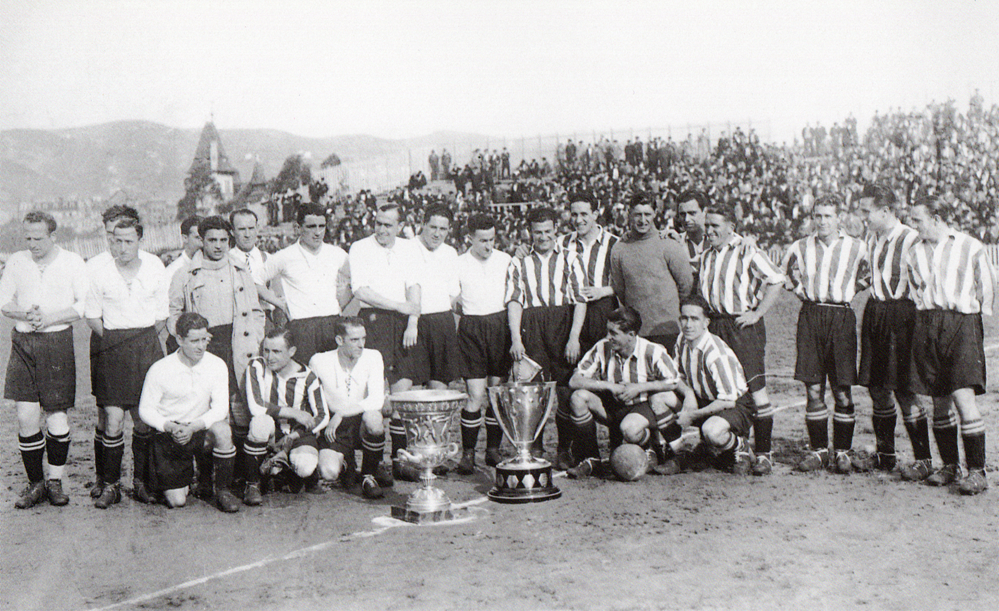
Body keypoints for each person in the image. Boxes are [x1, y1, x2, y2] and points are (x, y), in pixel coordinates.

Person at [905, 195, 994, 495]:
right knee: (938, 398)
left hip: (962, 324)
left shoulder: (969, 246)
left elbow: (987, 286)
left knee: (962, 396)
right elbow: (916, 288)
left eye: (917, 220)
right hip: (928, 323)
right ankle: (950, 465)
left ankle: (978, 471)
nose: (912, 225)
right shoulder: (913, 251)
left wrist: (973, 319)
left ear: (937, 218)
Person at [169, 215, 265, 491]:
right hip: (206, 346)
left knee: (241, 410)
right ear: (201, 240)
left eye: (224, 240)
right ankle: (206, 479)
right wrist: (187, 341)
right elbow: (174, 313)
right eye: (212, 240)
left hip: (239, 346)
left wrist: (255, 336)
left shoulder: (240, 269)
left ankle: (244, 477)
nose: (219, 245)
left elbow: (256, 311)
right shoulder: (186, 273)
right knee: (207, 409)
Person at [2, 212, 88, 509]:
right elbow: (3, 302)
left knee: (57, 417)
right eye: (28, 237)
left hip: (56, 342)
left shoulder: (72, 262)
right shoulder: (17, 261)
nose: (32, 243)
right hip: (24, 341)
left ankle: (55, 480)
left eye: (39, 238)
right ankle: (35, 483)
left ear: (54, 236)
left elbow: (83, 304)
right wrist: (26, 313)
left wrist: (49, 317)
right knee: (25, 416)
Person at [85, 217, 168, 507]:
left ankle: (141, 482)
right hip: (113, 348)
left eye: (128, 241)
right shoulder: (100, 272)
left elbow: (161, 314)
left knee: (143, 421)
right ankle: (110, 484)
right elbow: (92, 316)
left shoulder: (155, 266)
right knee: (113, 421)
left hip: (146, 346)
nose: (122, 246)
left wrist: (139, 338)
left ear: (139, 240)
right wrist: (114, 340)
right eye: (116, 240)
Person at [782, 195, 868, 474]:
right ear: (813, 217)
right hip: (811, 314)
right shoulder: (800, 246)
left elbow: (873, 273)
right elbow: (783, 273)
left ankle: (842, 451)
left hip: (841, 316)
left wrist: (853, 288)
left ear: (839, 218)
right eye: (818, 216)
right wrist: (798, 290)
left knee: (842, 389)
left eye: (828, 216)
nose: (822, 221)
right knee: (813, 387)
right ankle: (819, 450)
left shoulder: (857, 247)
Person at [699, 204, 785, 476]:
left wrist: (757, 313)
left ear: (730, 227)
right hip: (716, 325)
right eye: (707, 225)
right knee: (722, 386)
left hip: (741, 326)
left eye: (715, 225)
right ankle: (732, 449)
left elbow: (776, 279)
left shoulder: (747, 250)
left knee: (754, 387)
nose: (709, 230)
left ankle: (764, 454)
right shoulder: (706, 255)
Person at [855, 184, 932, 478]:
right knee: (876, 387)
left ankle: (923, 459)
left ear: (885, 211)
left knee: (904, 389)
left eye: (866, 211)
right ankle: (885, 455)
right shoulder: (872, 237)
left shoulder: (911, 238)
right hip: (875, 312)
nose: (863, 216)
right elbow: (870, 274)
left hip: (902, 315)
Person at [504, 207, 587, 470]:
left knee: (564, 389)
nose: (543, 237)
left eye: (548, 231)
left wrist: (574, 337)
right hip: (532, 324)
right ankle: (536, 448)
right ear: (530, 233)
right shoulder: (518, 261)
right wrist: (516, 338)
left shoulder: (571, 258)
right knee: (533, 390)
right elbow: (515, 301)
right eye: (538, 232)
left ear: (555, 231)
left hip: (562, 323)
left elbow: (580, 301)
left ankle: (564, 449)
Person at [348, 203, 424, 481]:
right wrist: (397, 306)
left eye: (387, 225)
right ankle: (375, 463)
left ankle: (401, 460)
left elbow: (414, 287)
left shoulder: (409, 248)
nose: (381, 229)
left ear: (400, 226)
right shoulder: (360, 247)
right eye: (378, 223)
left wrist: (413, 320)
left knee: (403, 395)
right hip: (374, 320)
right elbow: (360, 290)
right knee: (377, 398)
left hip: (405, 323)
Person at [138, 312, 240, 512]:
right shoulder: (160, 368)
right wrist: (169, 426)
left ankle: (223, 490)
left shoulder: (217, 365)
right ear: (179, 339)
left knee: (222, 430)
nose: (201, 346)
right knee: (177, 501)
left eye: (204, 339)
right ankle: (178, 479)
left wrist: (194, 427)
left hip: (198, 430)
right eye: (194, 341)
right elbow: (146, 409)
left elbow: (220, 408)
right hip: (171, 434)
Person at [566, 306, 683, 479]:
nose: (608, 337)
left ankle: (650, 447)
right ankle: (591, 459)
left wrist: (639, 387)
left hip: (642, 407)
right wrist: (608, 386)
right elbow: (574, 381)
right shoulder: (602, 347)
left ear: (631, 335)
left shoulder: (652, 351)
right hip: (613, 407)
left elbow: (673, 381)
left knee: (629, 428)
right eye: (608, 331)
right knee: (578, 398)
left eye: (614, 333)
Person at [86, 204, 141, 501]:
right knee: (104, 412)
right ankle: (103, 476)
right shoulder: (94, 265)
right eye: (109, 235)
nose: (114, 242)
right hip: (103, 339)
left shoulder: (143, 263)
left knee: (137, 411)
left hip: (134, 341)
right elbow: (87, 308)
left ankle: (137, 477)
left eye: (119, 235)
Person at [241, 327, 329, 505]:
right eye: (266, 350)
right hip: (271, 434)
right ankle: (253, 484)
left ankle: (284, 471)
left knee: (304, 466)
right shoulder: (256, 366)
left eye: (276, 351)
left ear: (292, 352)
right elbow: (256, 406)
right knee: (260, 423)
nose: (269, 357)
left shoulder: (308, 376)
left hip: (296, 435)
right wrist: (293, 412)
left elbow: (323, 415)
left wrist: (295, 435)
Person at [671, 295, 757, 474]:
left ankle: (741, 447)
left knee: (712, 430)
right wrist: (688, 394)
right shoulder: (681, 340)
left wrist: (693, 415)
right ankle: (678, 453)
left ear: (706, 322)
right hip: (704, 399)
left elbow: (727, 401)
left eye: (695, 319)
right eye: (684, 318)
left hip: (734, 404)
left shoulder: (715, 352)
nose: (688, 324)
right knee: (662, 397)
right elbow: (674, 376)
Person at [455, 214, 513, 473]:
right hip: (472, 328)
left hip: (500, 327)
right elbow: (451, 299)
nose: (488, 246)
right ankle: (468, 454)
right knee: (475, 395)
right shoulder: (458, 263)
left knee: (496, 392)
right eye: (482, 241)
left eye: (491, 239)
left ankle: (492, 450)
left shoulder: (505, 260)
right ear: (470, 239)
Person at [311, 317, 388, 500]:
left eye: (363, 338)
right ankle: (347, 465)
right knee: (329, 471)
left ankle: (368, 476)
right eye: (354, 340)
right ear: (339, 340)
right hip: (335, 427)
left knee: (374, 419)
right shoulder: (319, 361)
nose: (361, 345)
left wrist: (342, 412)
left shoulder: (373, 356)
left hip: (360, 422)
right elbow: (313, 401)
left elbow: (377, 399)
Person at [264, 203, 351, 365]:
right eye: (311, 227)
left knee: (332, 377)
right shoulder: (284, 256)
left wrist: (341, 305)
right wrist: (279, 304)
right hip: (301, 327)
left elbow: (357, 280)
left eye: (321, 226)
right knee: (304, 378)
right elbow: (255, 282)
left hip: (332, 323)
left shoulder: (337, 253)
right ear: (298, 228)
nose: (317, 232)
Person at [609, 192, 693, 351]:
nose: (642, 220)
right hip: (637, 332)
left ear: (655, 214)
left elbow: (686, 284)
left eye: (647, 214)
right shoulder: (619, 249)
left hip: (669, 329)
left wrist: (670, 310)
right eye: (637, 215)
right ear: (629, 214)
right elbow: (620, 290)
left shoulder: (668, 244)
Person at [557, 193, 620, 356]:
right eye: (574, 214)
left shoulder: (614, 243)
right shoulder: (561, 243)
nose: (578, 220)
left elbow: (626, 283)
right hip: (570, 313)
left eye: (584, 214)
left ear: (595, 214)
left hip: (601, 310)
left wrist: (602, 291)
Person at [414, 204, 461, 390]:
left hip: (442, 322)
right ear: (423, 224)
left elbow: (452, 293)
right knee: (414, 388)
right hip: (413, 322)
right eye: (433, 227)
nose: (437, 234)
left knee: (439, 388)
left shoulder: (450, 253)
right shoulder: (407, 248)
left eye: (443, 229)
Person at [230, 208, 285, 328]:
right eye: (241, 229)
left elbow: (279, 296)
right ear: (232, 232)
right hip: (236, 322)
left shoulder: (269, 259)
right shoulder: (227, 260)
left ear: (257, 228)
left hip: (266, 321)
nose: (247, 234)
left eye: (251, 228)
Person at [663, 189, 708, 285]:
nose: (687, 219)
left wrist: (748, 239)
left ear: (704, 212)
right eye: (683, 214)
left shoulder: (719, 240)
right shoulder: (676, 242)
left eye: (692, 213)